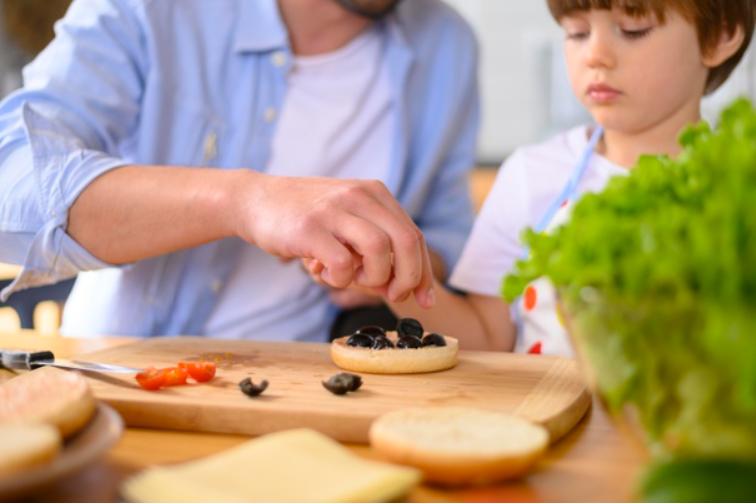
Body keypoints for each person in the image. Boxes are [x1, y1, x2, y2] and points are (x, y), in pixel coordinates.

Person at [0, 0, 479, 340]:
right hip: (126, 375)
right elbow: (12, 179)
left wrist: (387, 256)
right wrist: (247, 201)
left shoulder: (448, 44)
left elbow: (446, 240)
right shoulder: (150, 10)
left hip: (312, 397)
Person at [312, 0, 754, 355]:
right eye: (577, 33)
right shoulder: (532, 173)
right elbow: (488, 338)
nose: (595, 54)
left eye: (632, 29)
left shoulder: (740, 179)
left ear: (720, 35)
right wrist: (391, 275)